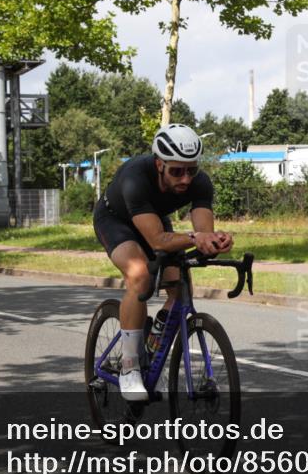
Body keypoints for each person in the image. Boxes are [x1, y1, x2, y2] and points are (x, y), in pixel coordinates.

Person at [92, 124, 233, 400]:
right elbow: (157, 241)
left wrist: (215, 242)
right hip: (116, 221)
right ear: (159, 164)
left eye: (191, 170)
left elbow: (203, 233)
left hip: (153, 219)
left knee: (179, 288)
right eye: (177, 171)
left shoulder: (200, 182)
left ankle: (152, 346)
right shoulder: (135, 179)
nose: (186, 179)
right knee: (140, 275)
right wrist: (196, 238)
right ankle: (129, 366)